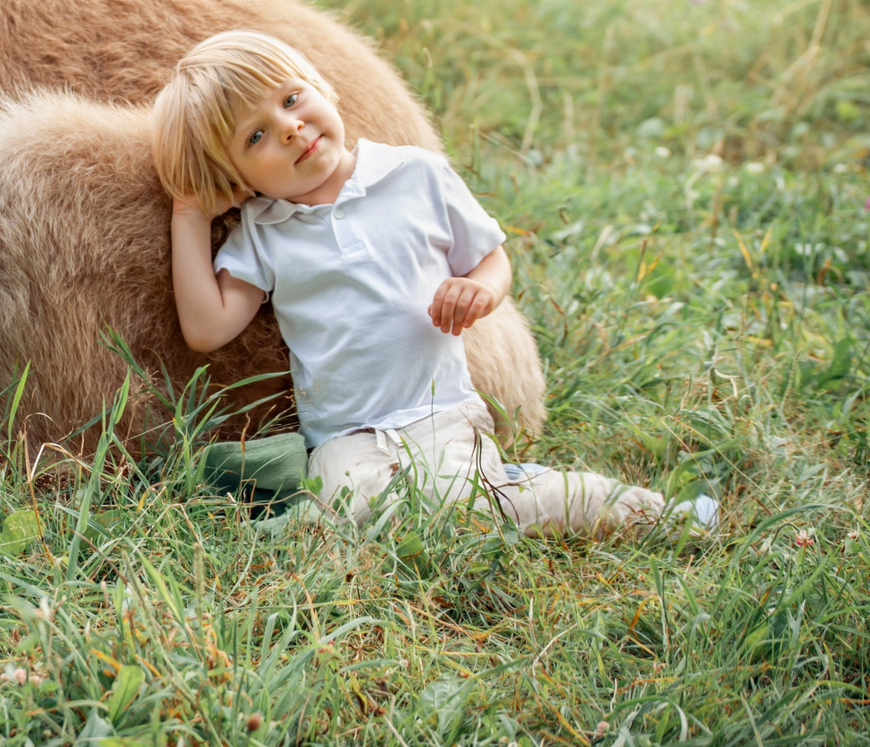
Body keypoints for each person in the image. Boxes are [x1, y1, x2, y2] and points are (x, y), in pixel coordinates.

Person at [154, 30, 709, 536]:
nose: (290, 127)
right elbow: (206, 328)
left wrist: (482, 289)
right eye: (256, 136)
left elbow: (490, 259)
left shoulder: (414, 175)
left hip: (437, 412)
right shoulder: (264, 229)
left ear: (321, 86)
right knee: (345, 517)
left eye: (292, 98)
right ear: (236, 177)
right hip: (346, 436)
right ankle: (487, 490)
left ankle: (643, 512)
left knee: (468, 511)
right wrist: (190, 216)